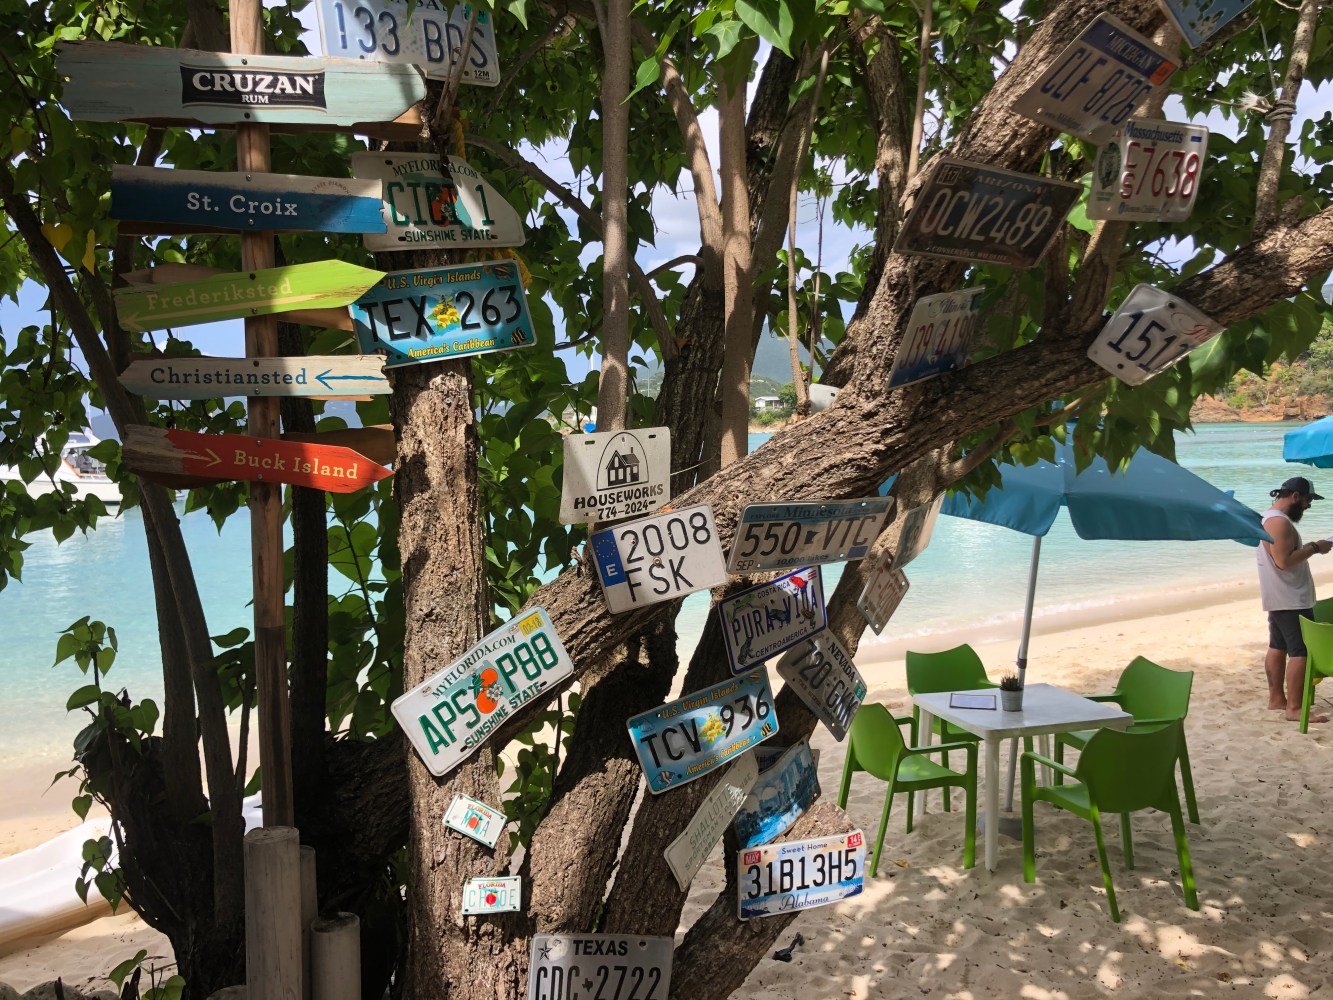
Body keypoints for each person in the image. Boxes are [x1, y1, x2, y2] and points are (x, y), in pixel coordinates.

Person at [1257, 477, 1332, 722]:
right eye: (1309, 500)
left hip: (1279, 597)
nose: (1309, 506)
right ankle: (1295, 709)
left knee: (1277, 646)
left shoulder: (1268, 518)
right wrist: (1315, 547)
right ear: (1296, 496)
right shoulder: (1279, 523)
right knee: (1301, 652)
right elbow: (1284, 561)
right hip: (1290, 598)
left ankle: (1277, 699)